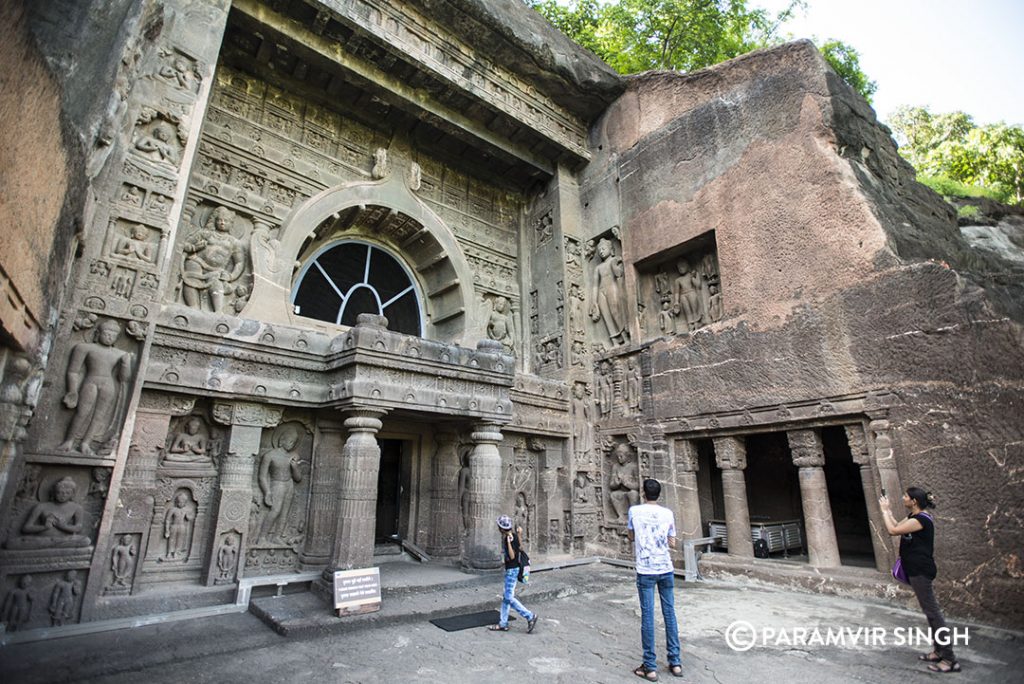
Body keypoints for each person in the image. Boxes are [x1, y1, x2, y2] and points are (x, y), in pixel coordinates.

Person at [879, 487, 960, 674]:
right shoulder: (913, 517)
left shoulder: (921, 520)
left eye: (906, 496)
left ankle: (949, 658)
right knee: (929, 611)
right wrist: (888, 510)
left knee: (933, 612)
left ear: (914, 501)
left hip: (921, 571)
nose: (903, 498)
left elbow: (892, 531)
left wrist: (883, 511)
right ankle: (938, 651)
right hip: (916, 569)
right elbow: (897, 526)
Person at [627, 479, 681, 681]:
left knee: (648, 616)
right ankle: (675, 662)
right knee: (670, 613)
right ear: (659, 494)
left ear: (643, 493)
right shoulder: (668, 513)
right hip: (666, 567)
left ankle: (650, 667)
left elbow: (631, 536)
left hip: (646, 569)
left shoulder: (634, 511)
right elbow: (672, 541)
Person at [488, 515, 537, 634]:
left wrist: (508, 543)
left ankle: (530, 616)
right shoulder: (514, 535)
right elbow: (520, 547)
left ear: (501, 528)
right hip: (514, 569)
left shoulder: (508, 538)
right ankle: (503, 623)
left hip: (512, 570)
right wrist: (519, 535)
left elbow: (512, 556)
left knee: (509, 597)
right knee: (506, 598)